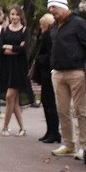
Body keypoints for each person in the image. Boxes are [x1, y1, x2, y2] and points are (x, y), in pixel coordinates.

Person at [46, 0, 86, 159]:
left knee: (80, 110)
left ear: (63, 6)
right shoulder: (54, 26)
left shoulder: (78, 24)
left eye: (53, 6)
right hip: (58, 73)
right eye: (49, 7)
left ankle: (85, 146)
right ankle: (68, 144)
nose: (51, 10)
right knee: (62, 110)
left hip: (77, 72)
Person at [0, 5, 34, 136]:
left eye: (17, 14)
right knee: (14, 101)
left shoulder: (25, 31)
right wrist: (15, 48)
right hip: (7, 67)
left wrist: (9, 47)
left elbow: (24, 49)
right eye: (12, 14)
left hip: (19, 68)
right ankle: (22, 128)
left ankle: (4, 127)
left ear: (21, 16)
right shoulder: (4, 29)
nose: (14, 17)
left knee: (9, 96)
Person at [30, 13, 60, 144]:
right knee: (46, 102)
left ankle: (53, 132)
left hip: (48, 72)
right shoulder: (45, 36)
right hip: (45, 72)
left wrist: (40, 59)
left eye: (42, 25)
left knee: (49, 103)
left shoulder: (49, 37)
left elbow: (50, 55)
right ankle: (50, 131)